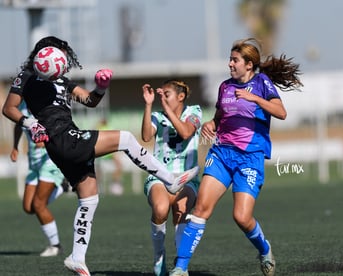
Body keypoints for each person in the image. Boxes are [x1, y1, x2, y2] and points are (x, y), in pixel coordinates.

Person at [2, 36, 199, 276]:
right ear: (46, 55)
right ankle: (170, 179)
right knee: (125, 138)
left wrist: (101, 87)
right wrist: (31, 124)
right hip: (63, 138)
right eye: (61, 56)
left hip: (64, 141)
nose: (64, 61)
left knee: (89, 199)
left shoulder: (62, 80)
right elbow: (8, 108)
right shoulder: (28, 76)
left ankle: (77, 257)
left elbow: (90, 101)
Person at [169, 38, 303, 276]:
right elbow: (220, 114)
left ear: (249, 64)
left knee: (241, 217)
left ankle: (264, 249)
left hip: (250, 158)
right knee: (201, 208)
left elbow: (281, 113)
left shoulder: (262, 83)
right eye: (230, 59)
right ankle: (181, 268)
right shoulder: (225, 87)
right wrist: (212, 123)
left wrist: (256, 99)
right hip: (221, 154)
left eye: (235, 60)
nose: (230, 64)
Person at [141, 80, 201, 276]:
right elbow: (146, 137)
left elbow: (185, 132)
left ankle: (181, 265)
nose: (162, 98)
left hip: (187, 178)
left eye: (166, 94)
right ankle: (159, 257)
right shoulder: (158, 116)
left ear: (181, 96)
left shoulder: (194, 112)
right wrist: (149, 104)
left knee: (181, 211)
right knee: (160, 209)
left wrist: (166, 107)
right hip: (160, 178)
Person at [10, 100, 67, 257]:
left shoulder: (45, 103)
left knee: (39, 205)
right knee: (29, 207)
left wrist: (48, 138)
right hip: (33, 162)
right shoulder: (21, 106)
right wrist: (15, 146)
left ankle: (55, 246)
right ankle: (64, 187)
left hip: (49, 160)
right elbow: (18, 124)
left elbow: (60, 125)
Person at [97, 118, 124, 195]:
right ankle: (99, 186)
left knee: (119, 165)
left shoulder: (108, 127)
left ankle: (115, 183)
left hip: (109, 151)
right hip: (102, 151)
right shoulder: (99, 128)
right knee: (98, 170)